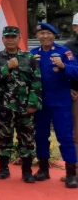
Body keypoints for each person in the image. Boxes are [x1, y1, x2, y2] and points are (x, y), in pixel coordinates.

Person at [0, 26, 41, 183]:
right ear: (3, 39)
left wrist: (33, 103)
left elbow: (37, 82)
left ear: (19, 39)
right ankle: (3, 169)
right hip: (4, 107)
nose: (10, 39)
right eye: (7, 37)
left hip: (25, 107)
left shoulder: (29, 57)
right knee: (3, 138)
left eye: (13, 37)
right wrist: (8, 67)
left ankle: (26, 171)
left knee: (26, 139)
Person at [30, 22, 78, 188]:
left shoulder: (64, 52)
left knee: (65, 137)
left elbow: (76, 71)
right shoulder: (32, 53)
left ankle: (71, 173)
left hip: (60, 102)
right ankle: (43, 169)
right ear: (37, 37)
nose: (44, 36)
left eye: (48, 33)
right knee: (41, 136)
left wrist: (63, 66)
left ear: (54, 35)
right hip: (40, 102)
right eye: (41, 34)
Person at [63, 13, 78, 183]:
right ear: (75, 28)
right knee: (76, 135)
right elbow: (63, 72)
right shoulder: (68, 48)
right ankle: (75, 171)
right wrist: (69, 88)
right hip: (76, 94)